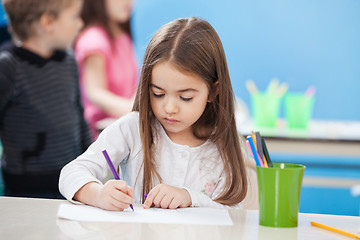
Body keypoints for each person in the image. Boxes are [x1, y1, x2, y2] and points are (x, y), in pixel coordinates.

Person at [59, 17, 257, 210]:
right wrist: (99, 194)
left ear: (213, 91)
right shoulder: (132, 129)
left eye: (185, 97)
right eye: (158, 94)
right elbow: (71, 172)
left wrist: (189, 197)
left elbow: (232, 213)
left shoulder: (224, 146)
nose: (169, 107)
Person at [0, 0, 91, 199]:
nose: (81, 24)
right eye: (74, 16)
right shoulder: (9, 66)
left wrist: (89, 160)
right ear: (48, 22)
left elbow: (78, 114)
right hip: (26, 189)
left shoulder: (68, 61)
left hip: (70, 182)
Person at [75, 0, 138, 139]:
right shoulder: (93, 39)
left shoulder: (123, 36)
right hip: (102, 135)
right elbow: (95, 93)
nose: (129, 2)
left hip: (125, 129)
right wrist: (133, 110)